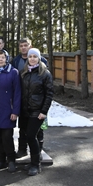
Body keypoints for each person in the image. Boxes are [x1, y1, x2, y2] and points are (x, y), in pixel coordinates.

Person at [19, 48, 54, 176]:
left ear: (39, 58)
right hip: (24, 111)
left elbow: (49, 95)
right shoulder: (23, 72)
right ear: (27, 58)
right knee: (27, 135)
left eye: (35, 56)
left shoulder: (45, 73)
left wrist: (44, 111)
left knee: (31, 136)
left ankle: (36, 165)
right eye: (30, 56)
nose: (32, 58)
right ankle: (34, 159)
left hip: (37, 111)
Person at [11, 37, 48, 159]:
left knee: (37, 130)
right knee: (23, 128)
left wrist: (44, 109)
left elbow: (48, 88)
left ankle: (38, 152)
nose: (23, 48)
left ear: (30, 46)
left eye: (25, 45)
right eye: (21, 46)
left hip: (38, 104)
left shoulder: (42, 62)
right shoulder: (16, 61)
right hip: (24, 102)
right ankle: (22, 149)